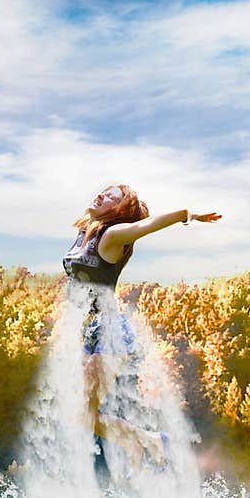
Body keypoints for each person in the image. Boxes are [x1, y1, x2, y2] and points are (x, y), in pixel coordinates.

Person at [62, 184, 221, 477]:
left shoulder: (111, 236)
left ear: (119, 212)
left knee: (82, 413)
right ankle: (139, 442)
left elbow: (148, 224)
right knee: (81, 415)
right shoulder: (86, 231)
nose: (101, 195)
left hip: (111, 332)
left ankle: (150, 440)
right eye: (104, 191)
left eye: (112, 197)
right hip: (93, 330)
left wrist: (187, 214)